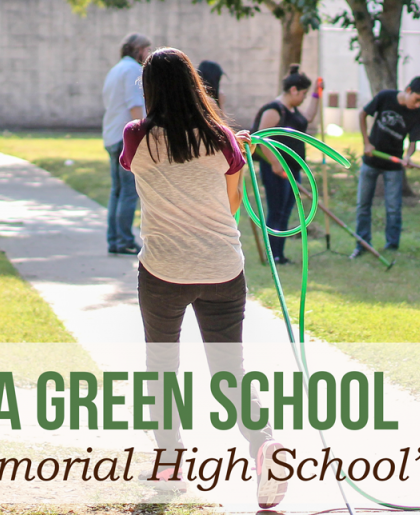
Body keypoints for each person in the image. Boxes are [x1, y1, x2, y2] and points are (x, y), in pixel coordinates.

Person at [119, 47, 288, 509]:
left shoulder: (136, 138)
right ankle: (265, 449)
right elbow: (232, 206)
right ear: (196, 85)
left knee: (162, 369)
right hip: (222, 270)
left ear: (151, 90)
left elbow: (147, 169)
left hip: (163, 272)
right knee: (229, 373)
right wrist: (235, 147)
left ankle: (170, 463)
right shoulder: (222, 139)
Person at [351, 76, 420, 258]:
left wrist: (408, 157)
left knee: (393, 207)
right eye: (417, 99)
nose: (418, 104)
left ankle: (392, 246)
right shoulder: (385, 97)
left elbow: (413, 141)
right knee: (363, 205)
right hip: (371, 161)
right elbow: (362, 114)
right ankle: (362, 244)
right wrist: (366, 143)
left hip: (393, 166)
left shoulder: (418, 114)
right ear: (409, 90)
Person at [251, 64, 321, 264]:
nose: (304, 98)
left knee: (287, 210)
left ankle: (279, 255)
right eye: (304, 94)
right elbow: (260, 138)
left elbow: (308, 117)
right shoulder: (274, 110)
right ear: (293, 90)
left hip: (293, 169)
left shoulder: (293, 110)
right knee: (276, 210)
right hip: (276, 170)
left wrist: (316, 95)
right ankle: (272, 254)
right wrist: (274, 163)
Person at [102, 33, 152, 255]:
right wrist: (143, 135)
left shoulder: (116, 69)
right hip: (125, 137)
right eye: (147, 50)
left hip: (111, 134)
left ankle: (114, 239)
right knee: (129, 191)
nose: (148, 55)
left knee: (117, 191)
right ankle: (123, 240)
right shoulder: (133, 70)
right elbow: (135, 107)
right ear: (138, 50)